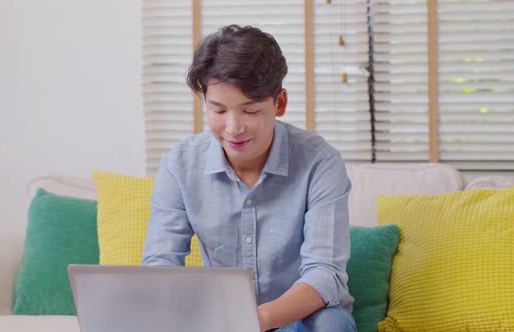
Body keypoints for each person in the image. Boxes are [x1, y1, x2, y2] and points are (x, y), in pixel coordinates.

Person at [141, 24, 356, 332]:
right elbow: (160, 264)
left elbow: (325, 273)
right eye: (218, 110)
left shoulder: (320, 162)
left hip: (301, 319)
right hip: (220, 320)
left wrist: (258, 320)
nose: (233, 128)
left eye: (250, 111)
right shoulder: (180, 166)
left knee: (330, 324)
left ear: (279, 103)